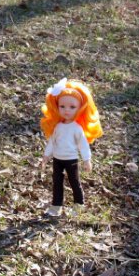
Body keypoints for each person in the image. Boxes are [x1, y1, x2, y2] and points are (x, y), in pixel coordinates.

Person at [39, 78, 102, 215]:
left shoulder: (77, 128)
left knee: (74, 182)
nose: (67, 110)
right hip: (57, 159)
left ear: (80, 108)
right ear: (56, 107)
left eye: (72, 107)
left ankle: (78, 205)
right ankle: (56, 206)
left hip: (71, 159)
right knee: (57, 183)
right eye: (62, 106)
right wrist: (46, 155)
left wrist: (87, 159)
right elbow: (52, 142)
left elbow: (83, 145)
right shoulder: (58, 126)